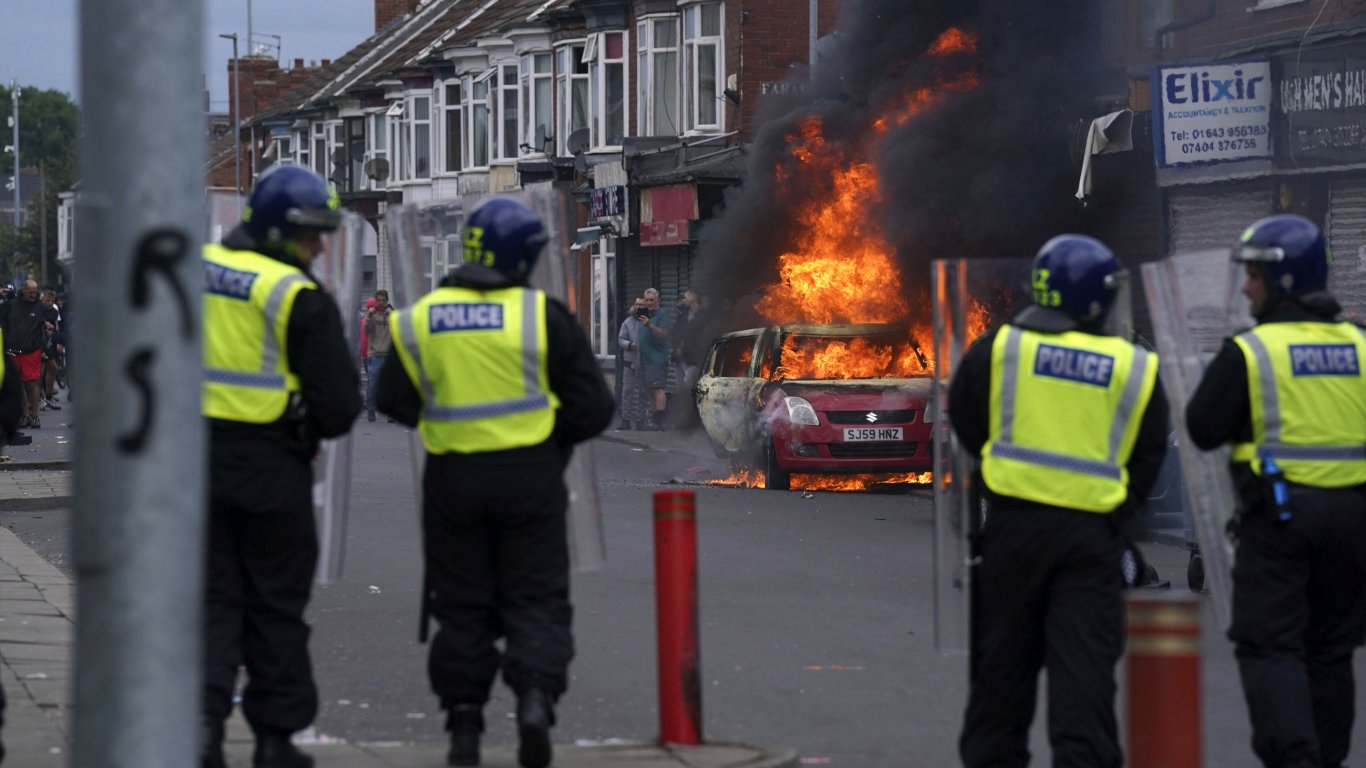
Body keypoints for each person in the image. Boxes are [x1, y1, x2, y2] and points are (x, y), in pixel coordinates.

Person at [376, 196, 614, 768]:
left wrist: (444, 416)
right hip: (530, 477)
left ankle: (463, 724)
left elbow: (390, 399)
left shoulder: (419, 319)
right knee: (536, 598)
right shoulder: (542, 317)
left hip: (453, 481)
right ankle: (533, 700)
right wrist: (551, 438)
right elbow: (594, 407)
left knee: (461, 605)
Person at [948, 234, 1169, 768]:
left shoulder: (1002, 347)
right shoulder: (1132, 365)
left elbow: (964, 415)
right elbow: (1149, 454)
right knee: (1085, 693)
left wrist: (1004, 469)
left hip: (1012, 535)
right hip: (1092, 544)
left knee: (1000, 689)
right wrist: (1117, 510)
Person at [1187, 214, 1366, 768]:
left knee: (1270, 646)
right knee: (1330, 651)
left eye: (1256, 276)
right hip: (1353, 524)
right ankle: (1328, 759)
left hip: (1280, 522)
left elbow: (1202, 427)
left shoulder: (1252, 351)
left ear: (1284, 280)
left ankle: (1295, 759)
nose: (1246, 286)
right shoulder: (1360, 344)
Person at [200, 165, 361, 768]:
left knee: (209, 604)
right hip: (272, 470)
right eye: (311, 235)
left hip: (190, 469)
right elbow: (341, 407)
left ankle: (200, 730)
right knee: (274, 609)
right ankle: (273, 741)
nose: (319, 247)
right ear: (277, 231)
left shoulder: (191, 272)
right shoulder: (297, 296)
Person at [4, 281, 45, 430]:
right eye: (30, 292)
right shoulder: (12, 305)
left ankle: (35, 415)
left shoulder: (40, 307)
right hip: (14, 349)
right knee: (18, 382)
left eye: (35, 292)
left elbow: (49, 321)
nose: (33, 295)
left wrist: (48, 326)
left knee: (32, 382)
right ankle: (25, 415)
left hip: (32, 349)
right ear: (23, 290)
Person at [636, 287, 672, 430]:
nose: (649, 303)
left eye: (652, 300)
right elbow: (631, 312)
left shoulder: (662, 315)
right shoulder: (644, 313)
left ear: (658, 301)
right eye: (647, 300)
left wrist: (650, 326)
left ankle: (659, 421)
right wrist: (637, 306)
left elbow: (663, 335)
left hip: (657, 359)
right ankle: (655, 416)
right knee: (647, 389)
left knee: (658, 389)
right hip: (644, 359)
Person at [615, 296, 647, 430]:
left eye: (641, 305)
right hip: (630, 362)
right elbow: (620, 339)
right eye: (637, 304)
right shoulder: (627, 323)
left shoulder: (647, 321)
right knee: (627, 392)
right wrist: (629, 345)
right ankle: (626, 420)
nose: (639, 307)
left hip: (644, 363)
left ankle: (640, 420)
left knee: (642, 392)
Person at [362, 289, 393, 422]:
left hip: (390, 355)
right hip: (375, 354)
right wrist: (369, 316)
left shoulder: (392, 314)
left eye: (383, 300)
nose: (381, 303)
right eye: (379, 300)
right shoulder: (372, 314)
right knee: (373, 384)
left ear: (387, 301)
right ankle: (371, 409)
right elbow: (366, 331)